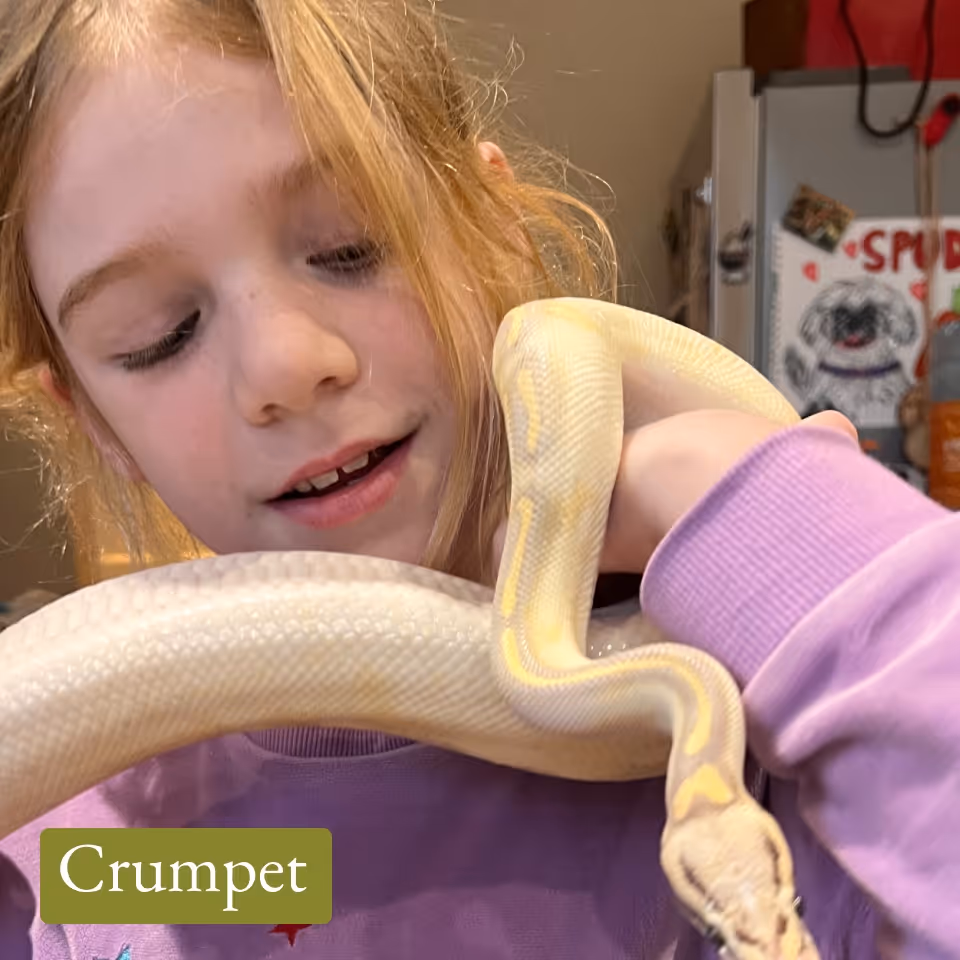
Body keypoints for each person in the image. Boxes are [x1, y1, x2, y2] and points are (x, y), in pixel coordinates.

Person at [0, 1, 957, 958]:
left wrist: (776, 524)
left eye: (348, 247)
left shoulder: (794, 749)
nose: (286, 365)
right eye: (157, 336)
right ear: (91, 419)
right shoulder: (94, 849)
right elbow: (303, 890)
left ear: (494, 232)